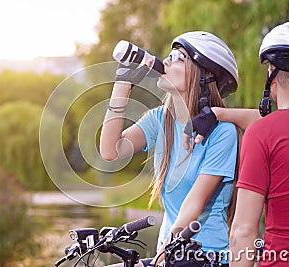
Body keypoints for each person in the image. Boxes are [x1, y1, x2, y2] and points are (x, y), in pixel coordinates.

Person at [100, 31, 240, 266]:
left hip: (204, 256)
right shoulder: (160, 119)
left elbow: (193, 205)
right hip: (168, 254)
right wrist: (122, 82)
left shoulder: (223, 132)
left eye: (179, 57)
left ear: (203, 76)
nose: (166, 61)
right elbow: (110, 150)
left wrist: (159, 259)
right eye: (170, 54)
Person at [188, 22, 289, 266]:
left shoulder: (262, 134)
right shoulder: (265, 131)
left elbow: (245, 230)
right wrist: (219, 113)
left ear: (272, 74)